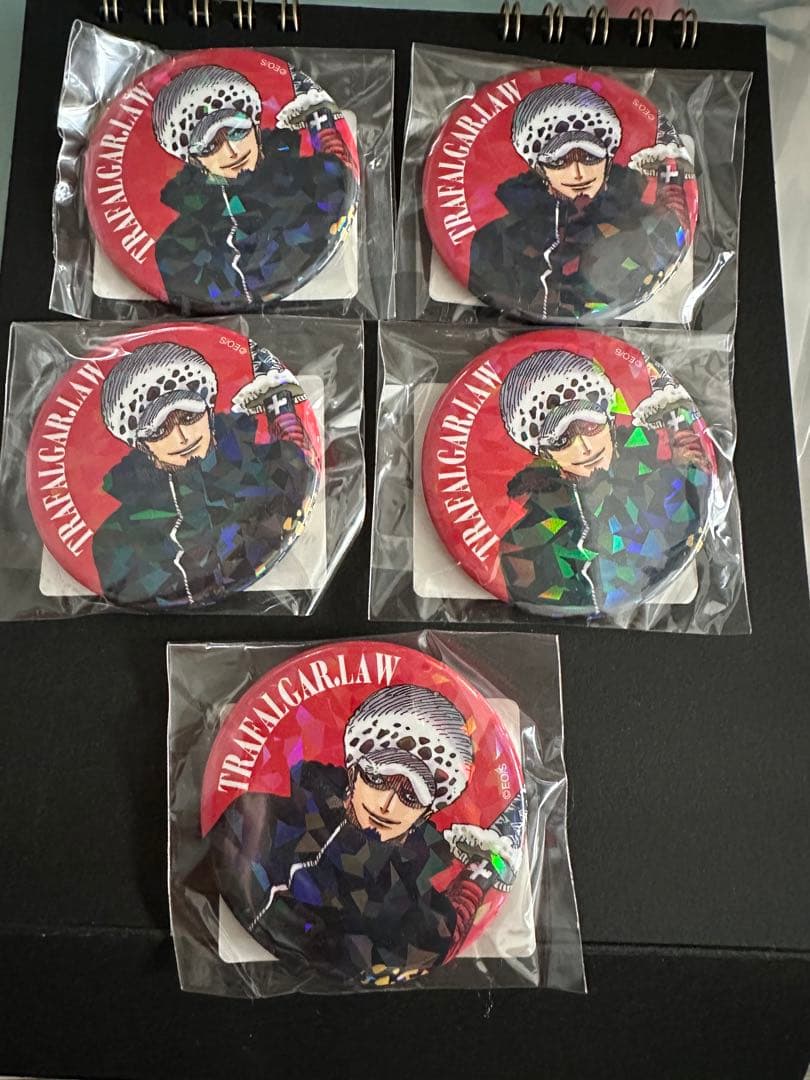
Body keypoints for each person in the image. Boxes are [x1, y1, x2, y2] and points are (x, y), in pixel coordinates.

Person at [211, 684, 522, 986]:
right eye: (378, 777)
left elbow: (439, 939)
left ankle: (485, 862)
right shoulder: (265, 815)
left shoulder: (412, 900)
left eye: (412, 794)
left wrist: (481, 874)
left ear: (427, 811)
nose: (387, 804)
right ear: (353, 769)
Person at [93, 341, 314, 608]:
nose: (182, 437)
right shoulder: (115, 540)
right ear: (141, 445)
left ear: (208, 411)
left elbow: (298, 489)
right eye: (159, 431)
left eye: (189, 417)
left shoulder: (277, 465)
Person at [498, 349, 710, 616]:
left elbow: (687, 527)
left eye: (590, 426)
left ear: (609, 420)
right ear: (545, 454)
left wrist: (689, 474)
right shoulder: (526, 540)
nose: (584, 447)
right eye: (562, 440)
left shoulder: (665, 482)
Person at [468, 83, 692, 319]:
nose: (578, 173)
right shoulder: (496, 238)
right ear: (540, 169)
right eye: (559, 161)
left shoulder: (643, 223)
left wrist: (663, 227)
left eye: (590, 157)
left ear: (608, 160)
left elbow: (643, 280)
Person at [151, 64, 356, 310]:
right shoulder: (175, 246)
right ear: (194, 160)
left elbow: (341, 187)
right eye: (209, 146)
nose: (231, 152)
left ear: (255, 125)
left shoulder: (315, 179)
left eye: (237, 131)